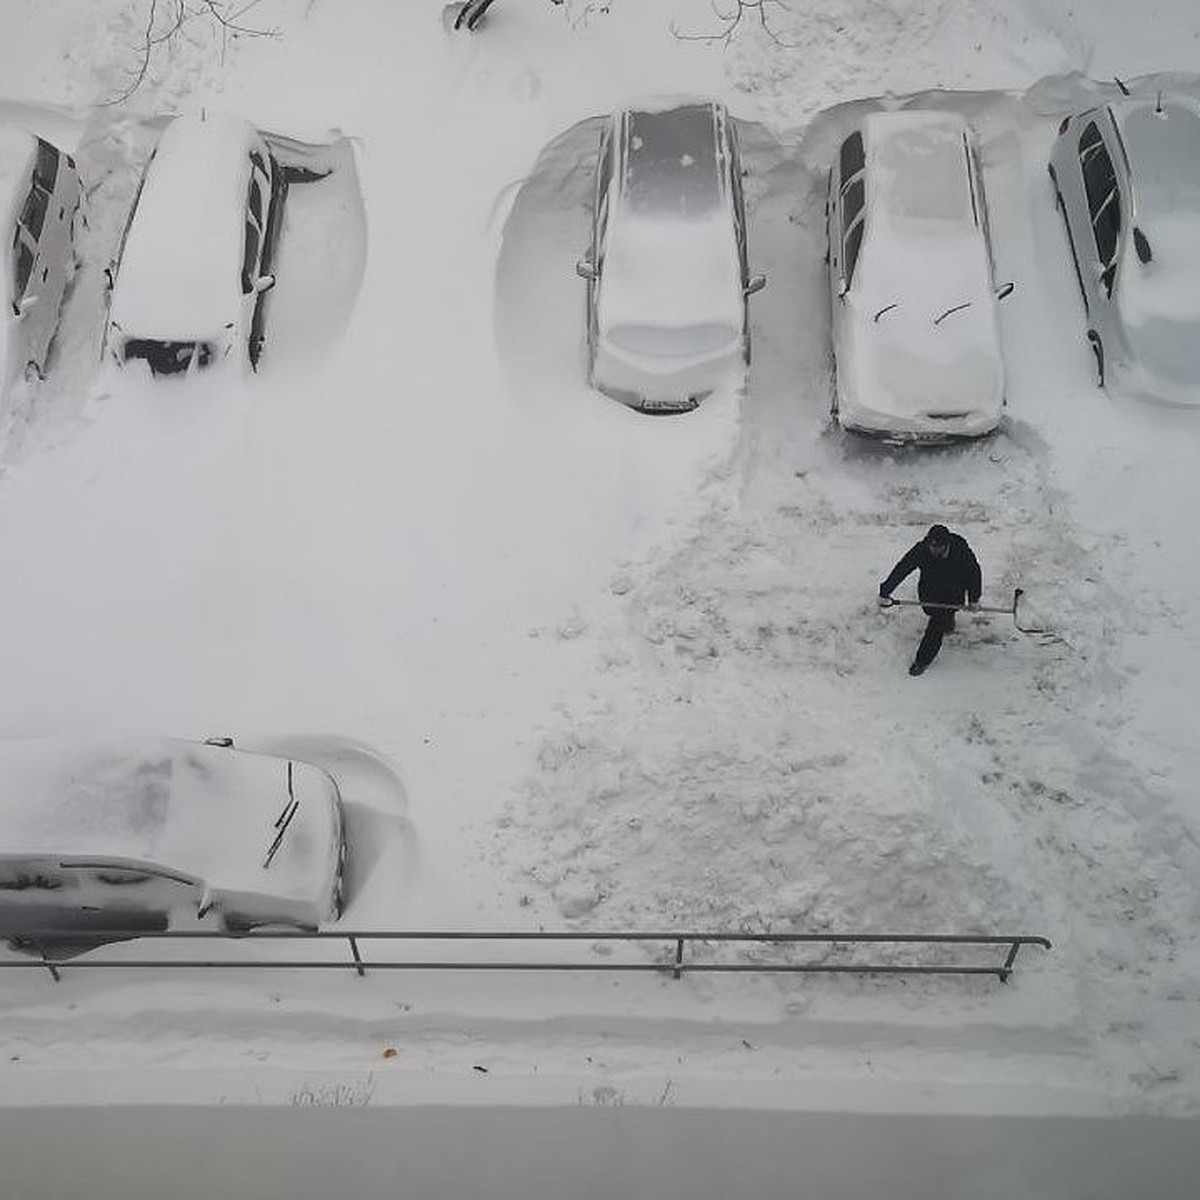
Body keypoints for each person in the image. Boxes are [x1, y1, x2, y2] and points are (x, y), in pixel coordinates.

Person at [878, 524, 981, 676]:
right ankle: (947, 620)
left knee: (937, 622)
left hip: (954, 591)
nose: (932, 550)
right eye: (931, 546)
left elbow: (974, 574)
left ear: (946, 545)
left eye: (937, 547)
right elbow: (902, 568)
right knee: (936, 614)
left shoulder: (961, 551)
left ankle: (922, 660)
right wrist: (885, 591)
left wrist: (974, 599)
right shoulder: (922, 550)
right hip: (930, 590)